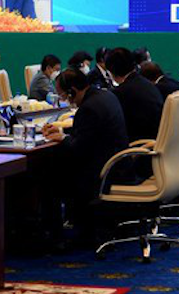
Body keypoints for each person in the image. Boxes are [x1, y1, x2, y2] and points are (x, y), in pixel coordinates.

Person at [40, 68, 128, 239]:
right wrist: (62, 129)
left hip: (101, 172)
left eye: (64, 96)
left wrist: (62, 138)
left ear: (72, 91)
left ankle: (52, 236)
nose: (65, 100)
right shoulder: (104, 96)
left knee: (48, 175)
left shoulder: (88, 108)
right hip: (116, 165)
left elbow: (78, 148)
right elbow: (90, 130)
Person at [106, 47, 163, 143]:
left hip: (138, 148)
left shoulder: (121, 93)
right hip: (155, 143)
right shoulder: (147, 84)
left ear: (111, 71)